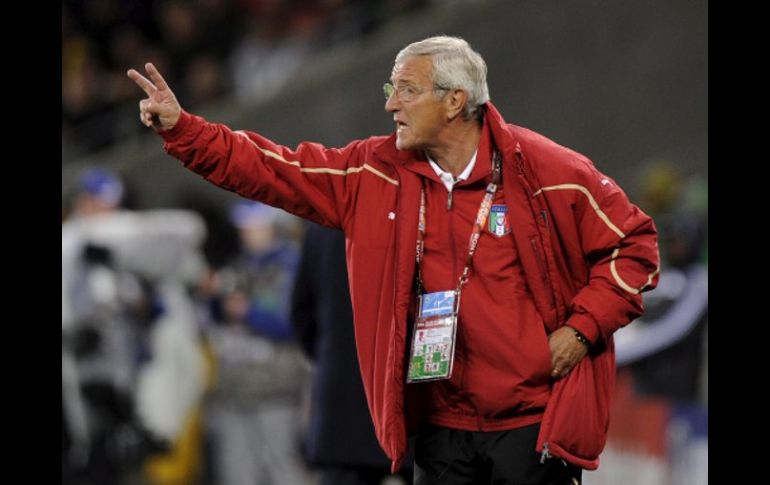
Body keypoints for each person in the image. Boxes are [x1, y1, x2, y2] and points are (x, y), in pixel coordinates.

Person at [128, 35, 660, 484]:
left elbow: (636, 246)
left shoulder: (547, 170)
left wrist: (580, 330)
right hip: (438, 429)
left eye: (406, 90)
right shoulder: (373, 172)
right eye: (391, 88)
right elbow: (272, 170)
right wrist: (184, 131)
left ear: (455, 101)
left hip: (530, 425)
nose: (391, 104)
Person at [290, 222, 413, 485]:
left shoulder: (323, 223)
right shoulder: (422, 210)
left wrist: (328, 358)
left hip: (341, 399)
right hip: (408, 396)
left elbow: (301, 311)